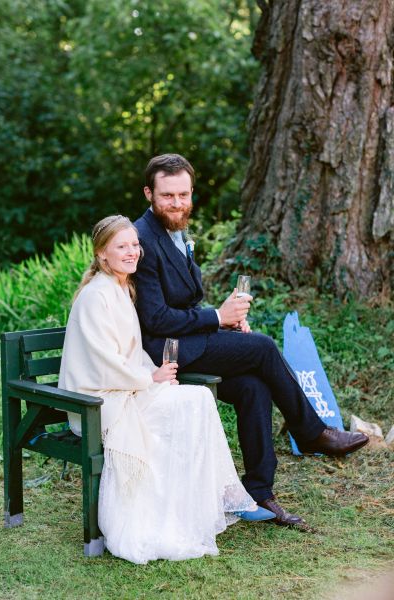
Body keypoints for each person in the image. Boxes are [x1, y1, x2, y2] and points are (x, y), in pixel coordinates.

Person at [134, 153, 369, 527]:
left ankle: (259, 492)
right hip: (166, 351)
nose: (177, 204)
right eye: (168, 196)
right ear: (149, 193)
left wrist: (222, 322)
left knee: (253, 387)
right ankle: (310, 432)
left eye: (184, 195)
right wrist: (216, 317)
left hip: (191, 339)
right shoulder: (142, 239)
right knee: (262, 346)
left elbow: (186, 301)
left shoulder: (176, 231)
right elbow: (155, 318)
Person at [58, 215, 276, 565]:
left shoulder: (121, 288)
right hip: (99, 401)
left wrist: (154, 371)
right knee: (187, 404)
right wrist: (149, 379)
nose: (132, 252)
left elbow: (131, 353)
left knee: (197, 398)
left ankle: (212, 500)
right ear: (102, 254)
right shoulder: (96, 296)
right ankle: (206, 502)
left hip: (125, 389)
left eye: (134, 245)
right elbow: (102, 362)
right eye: (122, 246)